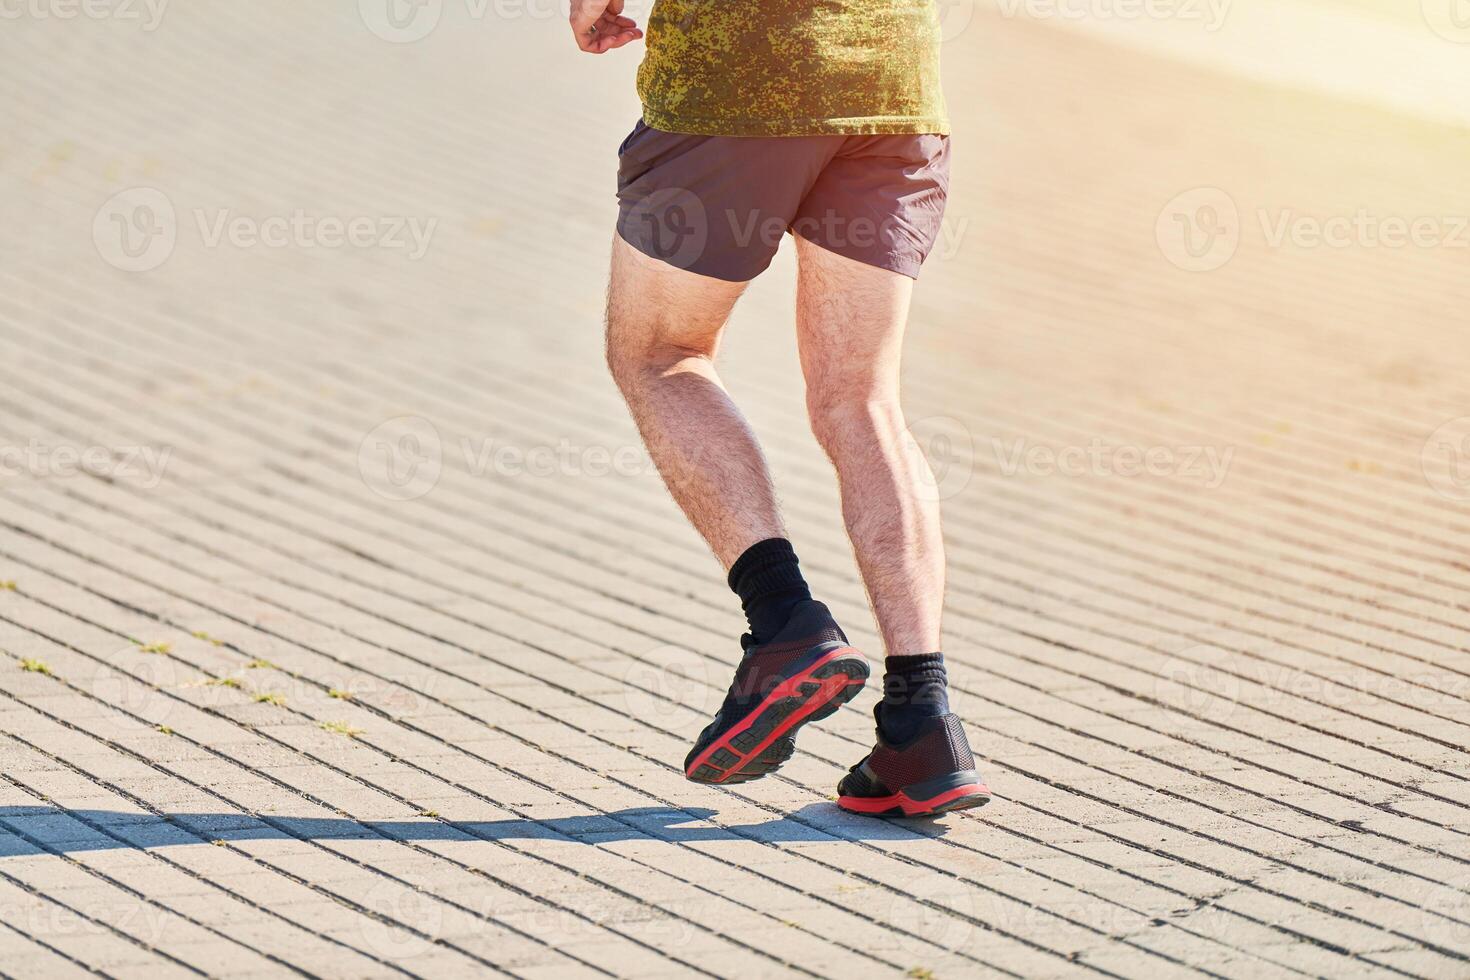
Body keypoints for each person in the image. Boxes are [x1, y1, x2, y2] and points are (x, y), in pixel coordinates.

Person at [571, 0, 990, 817]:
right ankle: (922, 717)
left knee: (660, 353)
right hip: (893, 84)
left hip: (739, 80)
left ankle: (785, 620)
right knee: (863, 401)